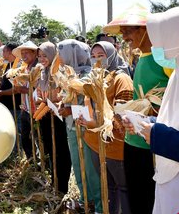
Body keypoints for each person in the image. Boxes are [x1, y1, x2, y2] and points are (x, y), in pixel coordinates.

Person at [103, 3, 172, 214]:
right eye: (122, 32)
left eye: (128, 31)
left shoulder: (165, 58)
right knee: (136, 200)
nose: (124, 38)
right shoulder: (142, 57)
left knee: (148, 201)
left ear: (145, 30)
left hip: (152, 142)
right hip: (133, 139)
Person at [142, 6, 179, 214]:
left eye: (164, 44)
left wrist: (159, 136)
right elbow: (176, 122)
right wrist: (148, 125)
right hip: (170, 186)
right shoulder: (178, 77)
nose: (158, 50)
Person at [78, 41, 133, 214]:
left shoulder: (120, 79)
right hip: (96, 142)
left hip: (116, 145)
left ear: (111, 55)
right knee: (108, 187)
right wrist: (85, 118)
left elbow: (122, 117)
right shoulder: (94, 78)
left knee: (123, 187)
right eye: (93, 57)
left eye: (100, 56)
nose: (96, 60)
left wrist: (96, 123)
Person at [56, 39, 102, 213]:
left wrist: (71, 111)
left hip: (87, 130)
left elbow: (95, 109)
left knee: (91, 171)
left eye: (62, 53)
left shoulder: (89, 77)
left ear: (72, 54)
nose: (59, 57)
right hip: (72, 128)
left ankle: (99, 205)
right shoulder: (68, 75)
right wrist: (63, 106)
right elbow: (66, 100)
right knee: (78, 166)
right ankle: (85, 200)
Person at [35, 42, 72, 194]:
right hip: (45, 117)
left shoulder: (60, 73)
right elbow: (38, 94)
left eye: (45, 55)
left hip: (58, 117)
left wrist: (55, 103)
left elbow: (66, 95)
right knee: (50, 150)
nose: (42, 59)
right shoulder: (41, 73)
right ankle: (54, 181)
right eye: (39, 56)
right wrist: (41, 101)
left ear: (52, 55)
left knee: (61, 151)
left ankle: (62, 185)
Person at [11, 41, 39, 161]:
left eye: (27, 53)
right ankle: (32, 162)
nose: (24, 56)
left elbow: (40, 89)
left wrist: (25, 90)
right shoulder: (24, 68)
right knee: (25, 139)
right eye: (22, 53)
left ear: (34, 53)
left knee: (38, 139)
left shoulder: (39, 68)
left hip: (36, 111)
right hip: (25, 109)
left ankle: (43, 163)